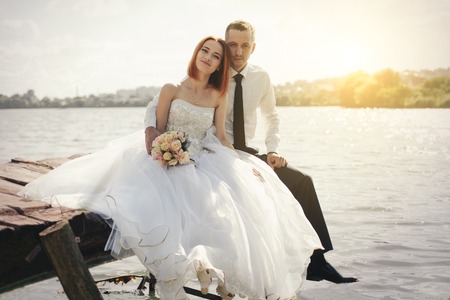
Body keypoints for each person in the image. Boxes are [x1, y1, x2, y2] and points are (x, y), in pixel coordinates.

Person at [20, 36, 322, 300]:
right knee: (161, 204)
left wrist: (248, 164)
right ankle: (180, 275)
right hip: (164, 155)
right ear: (196, 54)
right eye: (205, 51)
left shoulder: (219, 95)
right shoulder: (171, 88)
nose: (209, 58)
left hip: (201, 156)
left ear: (220, 65)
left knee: (227, 204)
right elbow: (158, 129)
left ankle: (211, 269)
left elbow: (222, 136)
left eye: (216, 56)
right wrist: (166, 150)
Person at [144, 20, 358, 285]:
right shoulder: (211, 74)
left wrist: (273, 150)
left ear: (253, 48)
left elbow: (272, 116)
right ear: (224, 45)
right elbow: (160, 103)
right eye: (232, 45)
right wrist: (150, 131)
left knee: (301, 182)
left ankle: (317, 262)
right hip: (217, 152)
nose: (238, 51)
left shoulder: (260, 77)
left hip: (250, 152)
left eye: (244, 46)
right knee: (247, 194)